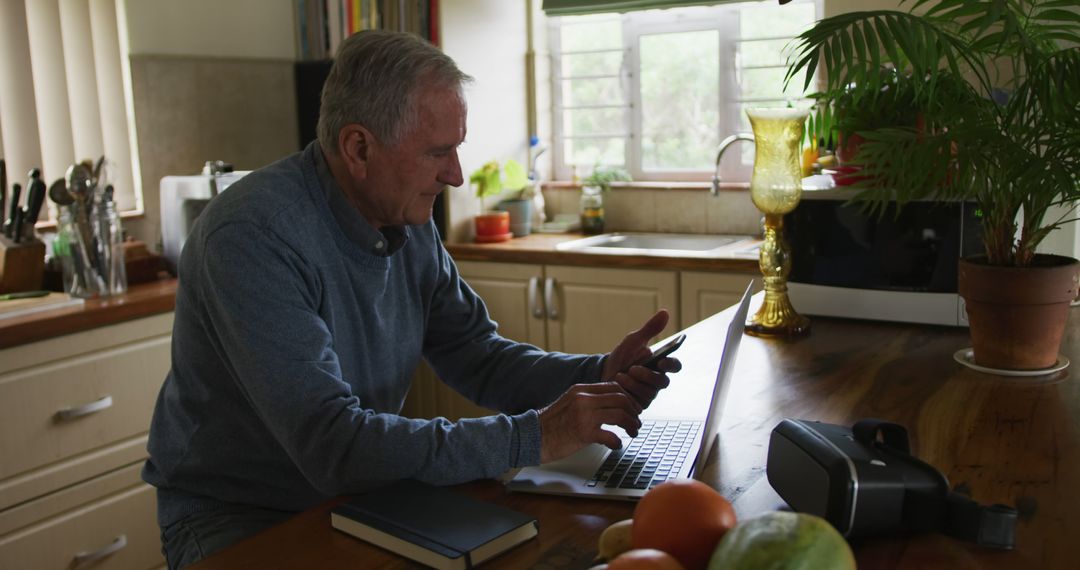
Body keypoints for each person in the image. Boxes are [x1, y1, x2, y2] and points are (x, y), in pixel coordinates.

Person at [143, 29, 680, 569]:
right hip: (239, 514)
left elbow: (477, 354)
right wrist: (532, 436)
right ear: (359, 148)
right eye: (438, 152)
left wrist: (598, 373)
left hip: (358, 493)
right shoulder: (252, 238)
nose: (456, 175)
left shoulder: (403, 214)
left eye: (457, 148)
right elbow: (335, 446)